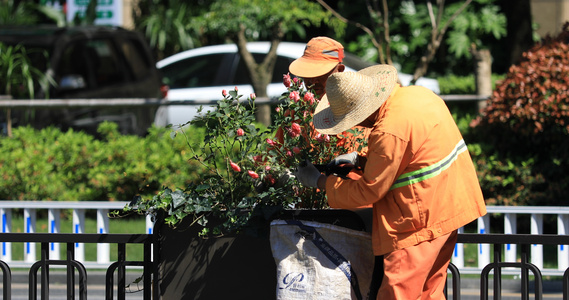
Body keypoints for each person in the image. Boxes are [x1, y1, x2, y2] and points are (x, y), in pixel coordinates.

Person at [294, 64, 487, 299]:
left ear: (364, 110)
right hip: (449, 207)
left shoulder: (388, 131)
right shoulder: (418, 95)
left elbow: (368, 192)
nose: (356, 125)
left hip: (419, 223)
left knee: (397, 294)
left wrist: (320, 181)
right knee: (429, 293)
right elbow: (413, 159)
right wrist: (364, 161)